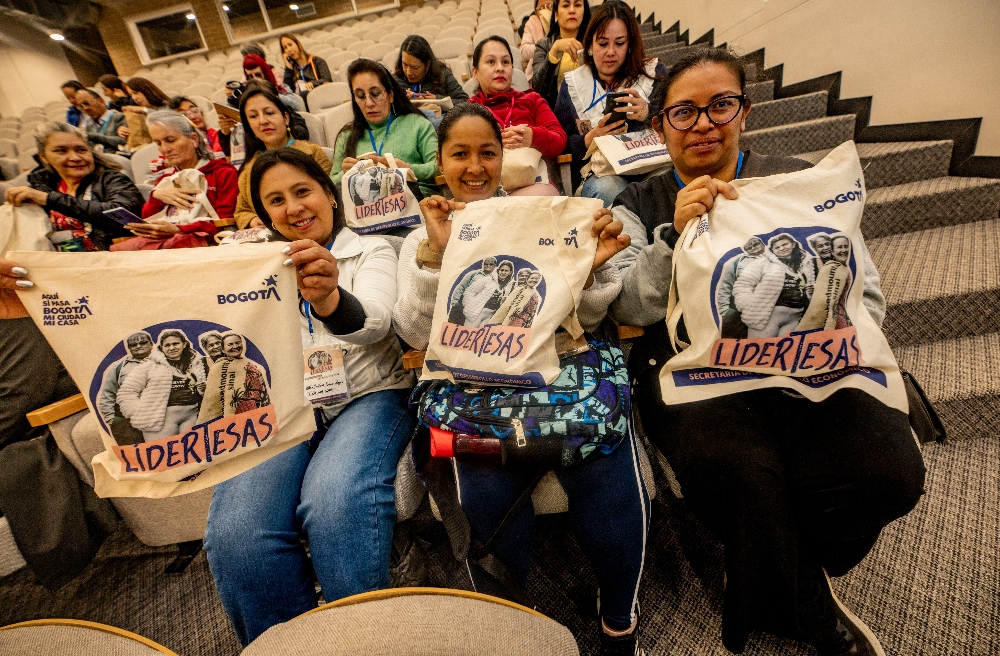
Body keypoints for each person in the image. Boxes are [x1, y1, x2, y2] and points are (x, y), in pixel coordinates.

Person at [608, 48, 925, 656]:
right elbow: (627, 306)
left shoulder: (798, 181)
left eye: (719, 105)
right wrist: (674, 238)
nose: (702, 123)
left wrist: (835, 348)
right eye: (682, 112)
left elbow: (866, 292)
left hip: (817, 360)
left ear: (745, 113)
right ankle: (802, 604)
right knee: (740, 472)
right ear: (659, 127)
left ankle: (776, 566)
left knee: (891, 472)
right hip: (698, 370)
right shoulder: (639, 203)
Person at [392, 102, 649, 655]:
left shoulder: (545, 214)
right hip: (473, 393)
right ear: (440, 163)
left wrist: (593, 267)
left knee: (607, 479)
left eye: (488, 152)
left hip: (561, 378)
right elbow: (415, 335)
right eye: (460, 153)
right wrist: (438, 254)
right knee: (485, 492)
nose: (476, 166)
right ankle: (514, 628)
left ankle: (619, 623)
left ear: (503, 157)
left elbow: (594, 314)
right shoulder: (424, 233)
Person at [204, 147, 415, 647]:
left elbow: (376, 321)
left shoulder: (373, 249)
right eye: (276, 200)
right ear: (263, 215)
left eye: (303, 191)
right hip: (284, 409)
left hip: (371, 396)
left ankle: (361, 643)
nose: (294, 208)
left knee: (335, 504)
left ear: (330, 194)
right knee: (237, 537)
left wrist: (328, 297)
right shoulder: (250, 269)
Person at [553, 0, 668, 206]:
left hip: (652, 164)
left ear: (631, 44)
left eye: (620, 43)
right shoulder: (572, 85)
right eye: (603, 43)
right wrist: (589, 139)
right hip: (601, 173)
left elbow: (679, 118)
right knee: (609, 190)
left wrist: (647, 113)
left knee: (662, 181)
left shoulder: (653, 74)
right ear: (589, 45)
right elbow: (559, 144)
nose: (610, 52)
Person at [4, 122, 141, 251]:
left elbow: (125, 217)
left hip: (111, 259)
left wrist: (49, 199)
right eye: (61, 151)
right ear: (43, 157)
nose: (75, 157)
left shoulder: (112, 179)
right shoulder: (43, 186)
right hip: (59, 263)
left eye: (81, 150)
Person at [120, 110, 239, 246]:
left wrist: (179, 230)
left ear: (194, 139)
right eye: (158, 143)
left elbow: (227, 223)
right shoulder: (165, 179)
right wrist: (156, 196)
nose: (165, 149)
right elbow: (147, 219)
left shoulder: (222, 173)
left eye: (170, 140)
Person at [468, 36, 566, 196]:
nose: (500, 68)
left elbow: (560, 140)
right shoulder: (468, 111)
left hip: (534, 184)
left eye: (506, 62)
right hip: (486, 190)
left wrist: (532, 137)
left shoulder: (532, 100)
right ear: (475, 72)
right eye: (491, 62)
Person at [331, 59, 439, 198]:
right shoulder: (347, 136)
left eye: (375, 93)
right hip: (366, 212)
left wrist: (408, 170)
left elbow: (440, 166)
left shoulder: (417, 124)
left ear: (390, 95)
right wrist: (346, 174)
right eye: (360, 96)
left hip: (415, 204)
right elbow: (330, 184)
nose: (369, 103)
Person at [233, 85, 331, 229]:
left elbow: (332, 193)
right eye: (253, 116)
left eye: (269, 113)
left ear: (286, 118)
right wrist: (253, 220)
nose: (263, 121)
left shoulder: (312, 153)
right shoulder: (248, 171)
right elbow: (242, 211)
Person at [116, 329, 206, 442]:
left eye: (176, 343)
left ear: (184, 344)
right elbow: (126, 392)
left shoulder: (195, 364)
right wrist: (139, 413)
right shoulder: (149, 365)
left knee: (193, 454)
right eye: (167, 345)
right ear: (161, 348)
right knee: (166, 457)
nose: (172, 348)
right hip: (161, 421)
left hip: (191, 416)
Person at [732, 232, 816, 338]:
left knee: (787, 353)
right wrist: (748, 306)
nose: (781, 248)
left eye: (785, 244)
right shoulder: (763, 263)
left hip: (795, 317)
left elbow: (810, 286)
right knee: (760, 351)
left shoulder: (806, 263)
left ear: (793, 244)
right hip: (767, 317)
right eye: (777, 247)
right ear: (773, 250)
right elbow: (743, 284)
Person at [394, 35, 468, 127]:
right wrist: (402, 102)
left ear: (428, 65)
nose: (408, 72)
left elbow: (465, 101)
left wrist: (437, 99)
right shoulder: (396, 80)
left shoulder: (442, 74)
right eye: (404, 65)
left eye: (415, 67)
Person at [197, 333, 271, 422]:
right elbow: (212, 398)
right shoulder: (218, 367)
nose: (235, 346)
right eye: (230, 344)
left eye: (237, 343)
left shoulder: (250, 365)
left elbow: (261, 388)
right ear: (223, 349)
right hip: (232, 412)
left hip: (255, 408)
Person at [531, 0, 591, 109]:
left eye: (577, 5)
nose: (572, 10)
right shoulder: (544, 45)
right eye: (565, 5)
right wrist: (555, 50)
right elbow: (538, 90)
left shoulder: (594, 43)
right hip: (556, 116)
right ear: (556, 14)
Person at [97, 332, 154, 446]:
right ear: (128, 348)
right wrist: (113, 421)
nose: (138, 346)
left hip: (160, 419)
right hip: (128, 424)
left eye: (143, 342)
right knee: (137, 458)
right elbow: (107, 396)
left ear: (151, 344)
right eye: (133, 345)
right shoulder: (119, 368)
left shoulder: (165, 361)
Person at [715, 236, 764, 338]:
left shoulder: (777, 257)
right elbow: (725, 287)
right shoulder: (737, 262)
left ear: (763, 244)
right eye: (749, 247)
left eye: (755, 244)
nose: (753, 248)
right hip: (740, 311)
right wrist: (725, 312)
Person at [280, 33, 333, 107]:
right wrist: (288, 67)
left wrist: (312, 83)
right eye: (285, 48)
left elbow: (327, 79)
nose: (289, 49)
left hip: (321, 96)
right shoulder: (291, 70)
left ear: (298, 44)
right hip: (303, 102)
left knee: (304, 94)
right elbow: (288, 91)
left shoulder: (317, 61)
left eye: (290, 45)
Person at [519, 0, 552, 80]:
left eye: (549, 6)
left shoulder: (564, 20)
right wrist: (545, 47)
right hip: (539, 73)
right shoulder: (532, 22)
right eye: (541, 8)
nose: (544, 10)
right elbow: (524, 51)